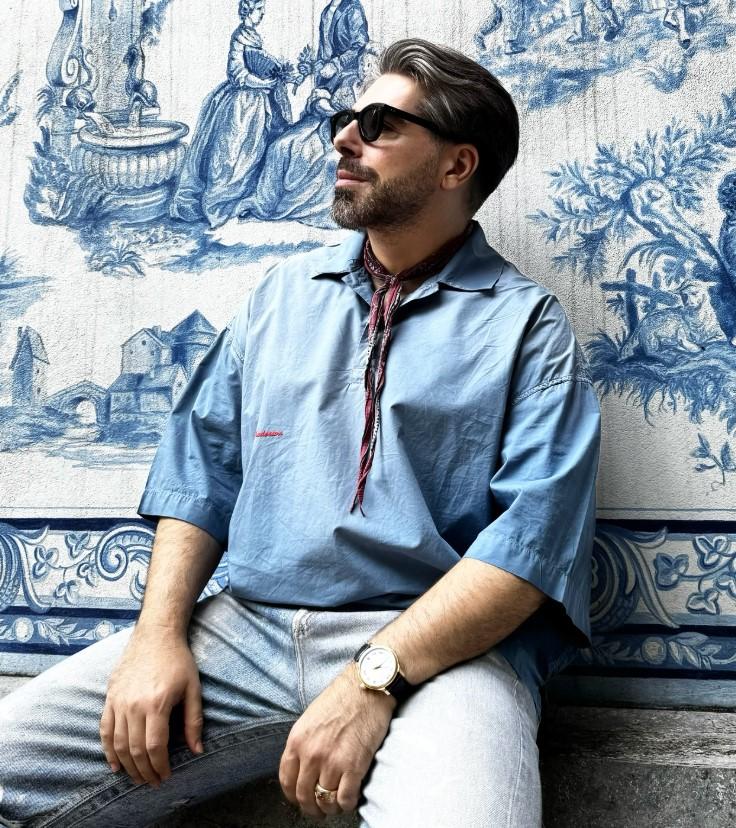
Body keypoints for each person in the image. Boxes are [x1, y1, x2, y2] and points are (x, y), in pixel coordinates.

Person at [0, 38, 601, 827]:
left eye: (379, 125)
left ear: (458, 166)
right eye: (347, 118)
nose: (344, 138)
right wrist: (157, 637)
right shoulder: (281, 294)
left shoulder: (528, 327)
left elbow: (526, 555)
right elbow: (201, 473)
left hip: (438, 650)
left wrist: (369, 680)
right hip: (243, 631)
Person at [169, 0, 296, 228]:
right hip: (241, 104)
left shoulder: (254, 35)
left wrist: (276, 76)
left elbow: (259, 64)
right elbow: (236, 73)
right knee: (232, 153)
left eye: (263, 10)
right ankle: (219, 201)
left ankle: (243, 200)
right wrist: (262, 84)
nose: (262, 15)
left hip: (259, 102)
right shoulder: (239, 36)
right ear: (248, 11)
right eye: (259, 10)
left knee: (255, 152)